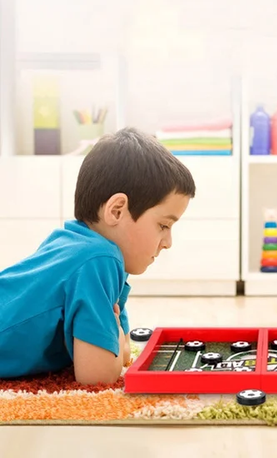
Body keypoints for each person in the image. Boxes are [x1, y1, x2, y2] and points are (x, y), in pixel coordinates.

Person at [0, 127, 195, 385]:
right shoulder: (98, 259)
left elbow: (122, 354)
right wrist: (112, 338)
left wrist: (114, 340)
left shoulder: (76, 244)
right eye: (163, 225)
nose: (168, 242)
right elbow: (98, 376)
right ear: (116, 211)